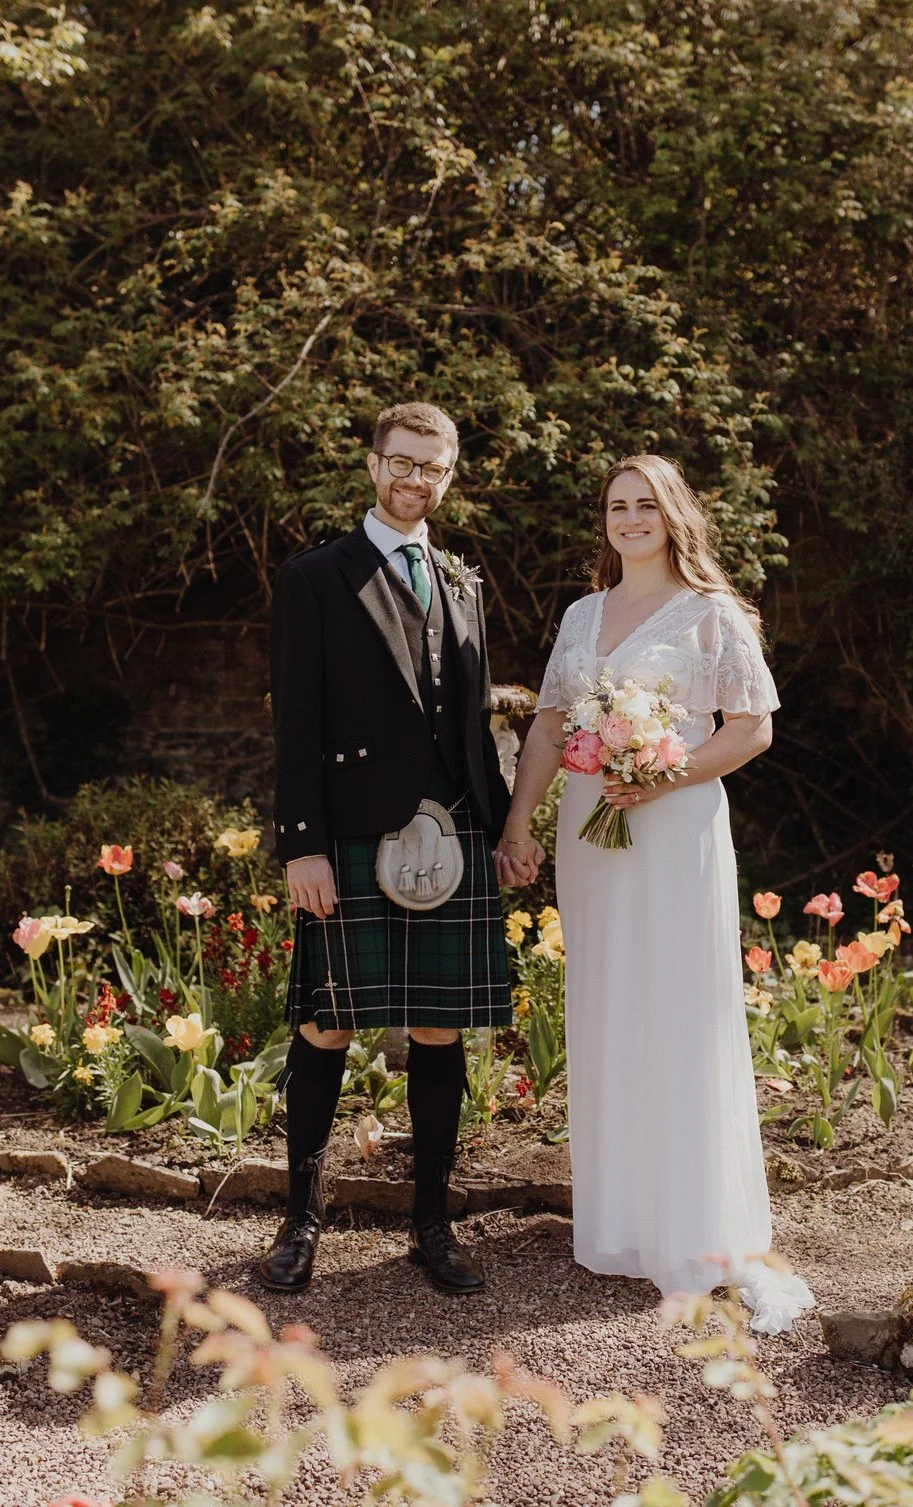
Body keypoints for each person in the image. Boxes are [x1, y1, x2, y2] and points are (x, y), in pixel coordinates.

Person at [495, 454, 814, 1331]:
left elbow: (753, 727)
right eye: (616, 505)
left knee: (677, 1005)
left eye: (645, 504)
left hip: (673, 829)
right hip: (596, 834)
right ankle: (625, 1220)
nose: (630, 518)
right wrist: (520, 822)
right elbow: (552, 727)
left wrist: (667, 774)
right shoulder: (582, 615)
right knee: (610, 1005)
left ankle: (694, 1225)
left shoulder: (711, 616)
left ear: (673, 515)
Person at [263, 401, 526, 1296]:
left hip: (453, 829)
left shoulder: (462, 580)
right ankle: (299, 1223)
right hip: (350, 829)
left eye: (435, 468)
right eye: (403, 462)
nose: (418, 479)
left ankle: (432, 1224)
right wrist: (302, 846)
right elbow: (294, 723)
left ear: (449, 477)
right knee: (328, 1021)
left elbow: (474, 720)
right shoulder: (315, 577)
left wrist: (501, 827)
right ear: (373, 464)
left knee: (437, 1026)